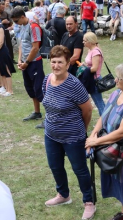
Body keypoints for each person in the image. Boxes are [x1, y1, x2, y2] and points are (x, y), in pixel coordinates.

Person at [42, 46, 95, 219]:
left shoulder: (74, 84)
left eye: (60, 62)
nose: (56, 66)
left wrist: (83, 130)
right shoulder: (47, 80)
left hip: (73, 136)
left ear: (67, 64)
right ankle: (63, 195)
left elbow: (87, 110)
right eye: (53, 62)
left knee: (80, 170)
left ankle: (89, 202)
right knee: (55, 167)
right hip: (51, 134)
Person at [85, 63, 123, 220]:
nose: (115, 79)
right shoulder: (116, 93)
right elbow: (103, 117)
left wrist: (96, 142)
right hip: (112, 147)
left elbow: (122, 132)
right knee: (119, 184)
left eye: (119, 77)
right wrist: (93, 135)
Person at [11, 7, 45, 126]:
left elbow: (35, 47)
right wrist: (20, 60)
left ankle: (51, 116)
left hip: (34, 62)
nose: (15, 24)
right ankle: (37, 112)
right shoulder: (22, 26)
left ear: (22, 17)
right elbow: (21, 44)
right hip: (26, 62)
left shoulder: (33, 26)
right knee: (30, 88)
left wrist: (27, 62)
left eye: (16, 21)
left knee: (40, 89)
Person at [0, 10, 15, 97]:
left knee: (6, 70)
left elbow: (1, 42)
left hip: (2, 51)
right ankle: (6, 88)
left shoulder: (1, 27)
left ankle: (10, 90)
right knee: (2, 71)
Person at [82, 32, 105, 115]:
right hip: (92, 78)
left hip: (95, 80)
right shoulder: (91, 50)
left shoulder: (95, 52)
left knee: (99, 102)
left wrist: (84, 70)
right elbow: (89, 64)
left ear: (90, 41)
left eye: (84, 41)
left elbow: (94, 68)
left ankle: (104, 123)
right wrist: (84, 65)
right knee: (99, 102)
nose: (83, 42)